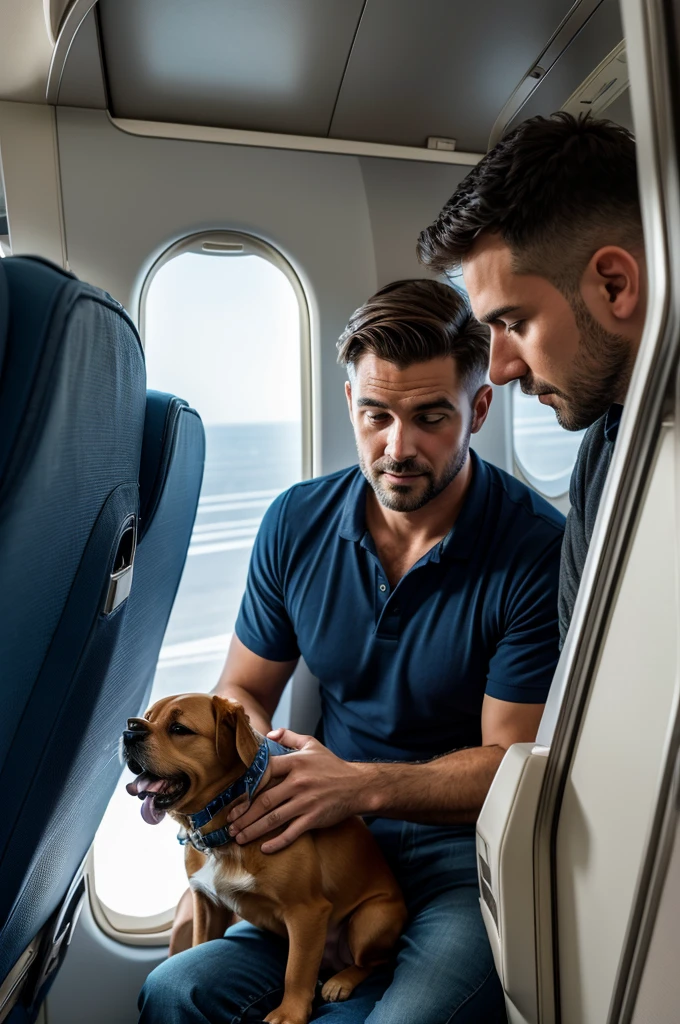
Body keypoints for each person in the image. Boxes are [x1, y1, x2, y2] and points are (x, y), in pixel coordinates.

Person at [138, 279, 564, 1024]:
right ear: (350, 406)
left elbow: (512, 761)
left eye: (431, 418)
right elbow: (242, 688)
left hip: (458, 860)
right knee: (174, 992)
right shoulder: (296, 522)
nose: (397, 447)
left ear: (480, 409)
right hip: (317, 836)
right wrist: (214, 852)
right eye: (377, 416)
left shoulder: (534, 548)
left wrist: (358, 786)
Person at [417, 112, 646, 646]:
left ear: (614, 285)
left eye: (515, 323)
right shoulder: (603, 452)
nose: (499, 369)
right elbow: (580, 667)